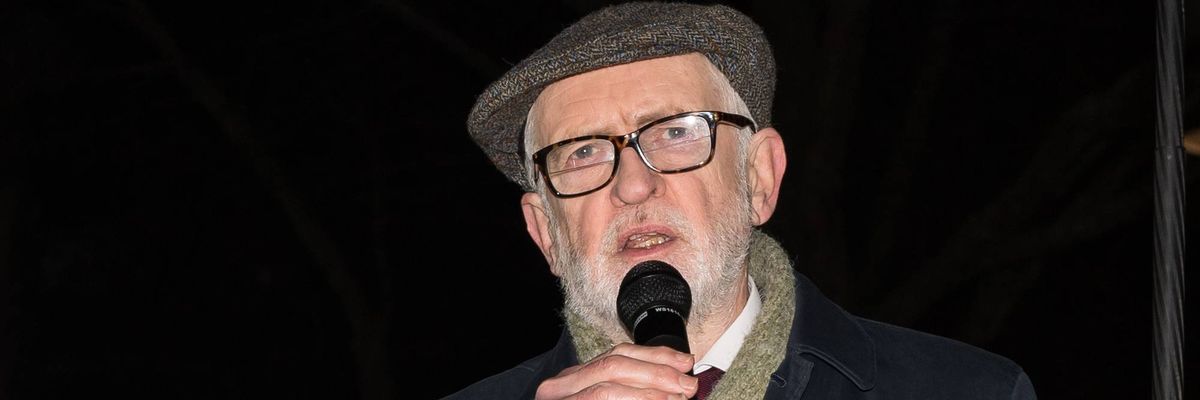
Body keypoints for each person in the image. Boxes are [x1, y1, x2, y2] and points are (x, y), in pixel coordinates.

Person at [449, 2, 1037, 399]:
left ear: (759, 179)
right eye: (582, 154)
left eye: (676, 132)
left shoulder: (969, 389)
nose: (632, 185)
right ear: (545, 232)